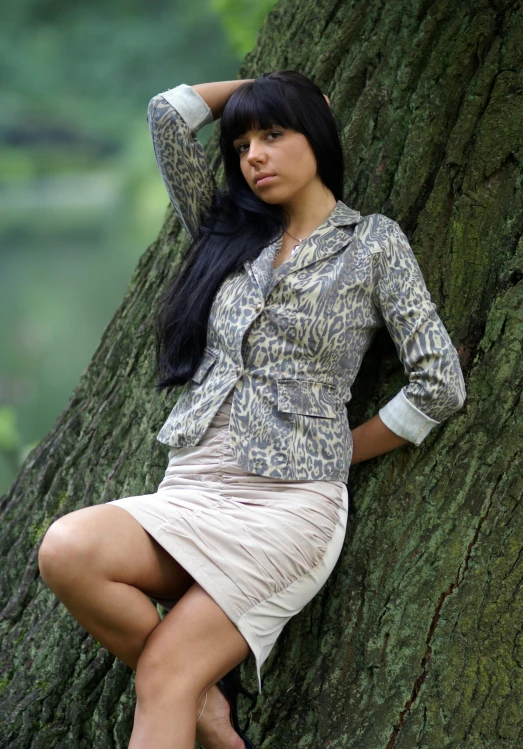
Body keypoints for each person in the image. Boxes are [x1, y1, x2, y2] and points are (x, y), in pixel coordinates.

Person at [37, 70, 467, 749]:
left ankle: (188, 692)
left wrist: (337, 451)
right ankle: (205, 705)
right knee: (67, 548)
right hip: (191, 488)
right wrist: (263, 87)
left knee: (164, 676)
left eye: (273, 133)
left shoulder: (372, 243)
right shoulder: (225, 232)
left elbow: (438, 383)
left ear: (317, 136)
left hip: (286, 510)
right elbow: (165, 117)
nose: (253, 156)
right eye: (240, 144)